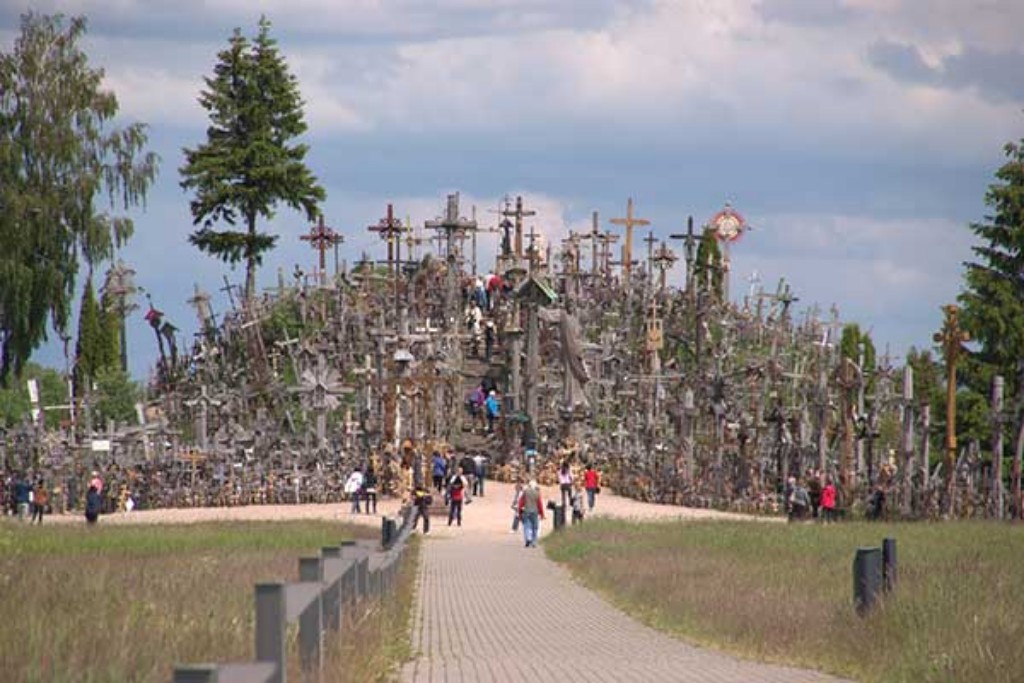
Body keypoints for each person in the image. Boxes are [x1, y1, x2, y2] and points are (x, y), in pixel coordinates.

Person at [517, 479, 545, 548]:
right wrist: (542, 514)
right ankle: (534, 541)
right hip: (535, 511)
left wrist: (519, 511)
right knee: (535, 527)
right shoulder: (537, 493)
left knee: (526, 526)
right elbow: (539, 504)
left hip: (526, 511)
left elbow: (521, 503)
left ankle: (528, 538)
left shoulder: (525, 492)